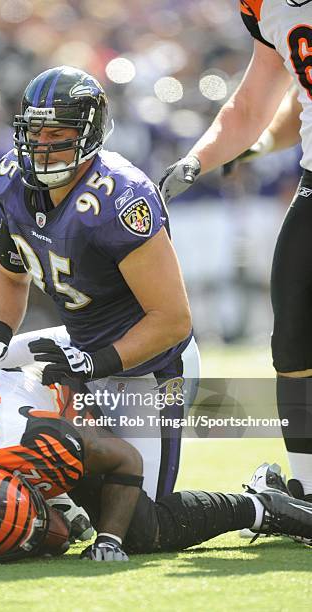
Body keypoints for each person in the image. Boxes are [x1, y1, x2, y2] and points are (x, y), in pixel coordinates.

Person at [0, 65, 200, 502]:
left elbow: (173, 321)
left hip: (145, 366)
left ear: (89, 133)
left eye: (57, 132)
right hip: (80, 343)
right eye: (35, 131)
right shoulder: (12, 180)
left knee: (139, 520)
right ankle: (44, 496)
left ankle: (259, 505)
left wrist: (94, 365)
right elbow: (9, 273)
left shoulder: (120, 197)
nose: (42, 145)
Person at [0, 367, 312, 563]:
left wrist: (109, 537)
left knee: (141, 530)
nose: (48, 539)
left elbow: (123, 460)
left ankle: (262, 505)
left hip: (48, 385)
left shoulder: (44, 444)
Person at [158, 1, 312, 502]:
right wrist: (200, 160)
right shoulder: (264, 7)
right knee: (294, 336)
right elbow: (258, 102)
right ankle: (308, 487)